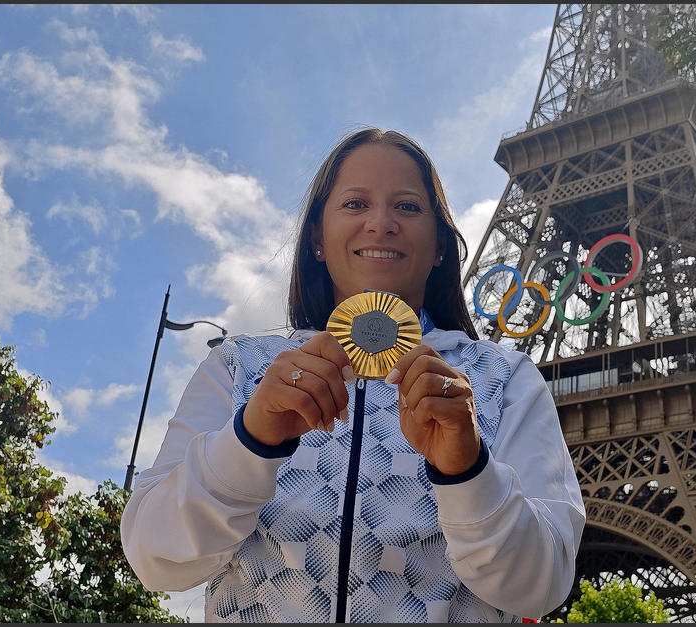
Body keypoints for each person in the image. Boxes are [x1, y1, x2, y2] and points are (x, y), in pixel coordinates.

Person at [120, 128, 586, 623]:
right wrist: (249, 440)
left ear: (440, 248)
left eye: (407, 207)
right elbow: (156, 560)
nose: (381, 223)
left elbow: (541, 586)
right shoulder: (238, 366)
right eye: (355, 204)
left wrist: (467, 471)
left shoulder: (504, 377)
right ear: (318, 238)